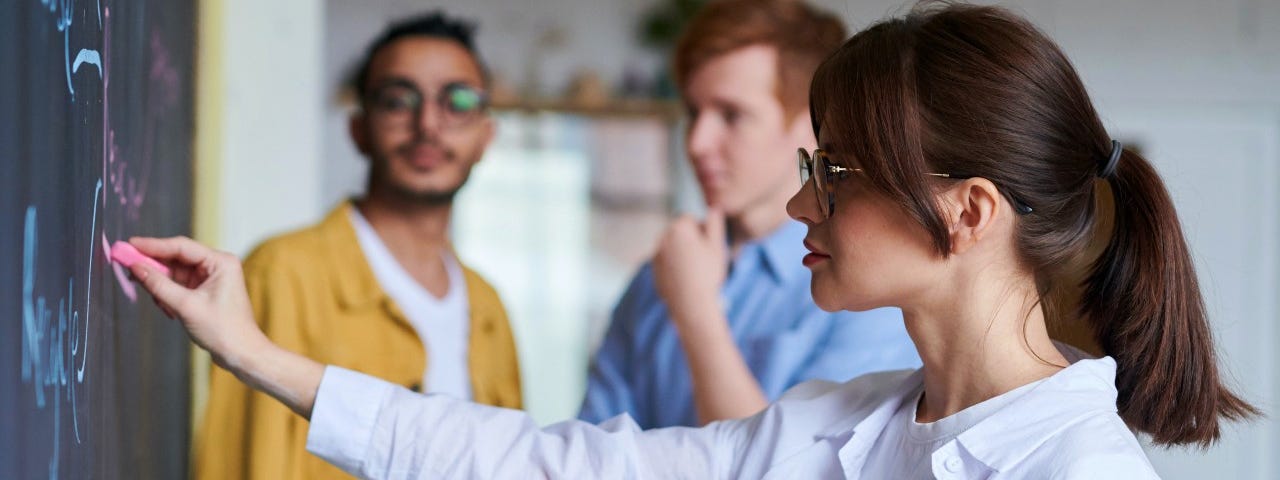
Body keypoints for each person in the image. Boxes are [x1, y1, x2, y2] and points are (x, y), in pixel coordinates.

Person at [135, 3, 1256, 478]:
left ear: (965, 213)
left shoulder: (1079, 470)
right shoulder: (835, 425)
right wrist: (257, 353)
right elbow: (547, 462)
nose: (799, 205)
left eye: (834, 174)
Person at [192, 12, 521, 480]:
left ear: (486, 136)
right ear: (359, 129)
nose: (428, 124)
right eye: (397, 99)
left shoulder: (489, 310)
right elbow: (238, 465)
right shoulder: (285, 272)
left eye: (459, 100)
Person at [579, 0, 919, 429]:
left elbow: (810, 467)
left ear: (810, 125)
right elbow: (592, 449)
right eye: (693, 112)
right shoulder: (656, 278)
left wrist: (697, 312)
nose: (698, 142)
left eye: (731, 115)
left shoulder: (868, 290)